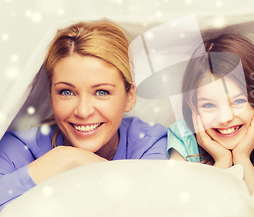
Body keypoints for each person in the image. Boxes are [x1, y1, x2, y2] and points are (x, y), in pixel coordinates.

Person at [0, 21, 168, 210]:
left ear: (130, 97)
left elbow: (151, 207)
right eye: (67, 92)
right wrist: (62, 158)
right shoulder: (18, 147)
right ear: (50, 97)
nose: (83, 111)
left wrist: (84, 164)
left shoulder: (151, 143)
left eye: (102, 92)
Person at [167, 32, 254, 193]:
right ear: (193, 106)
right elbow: (192, 209)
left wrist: (242, 159)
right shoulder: (183, 138)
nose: (225, 118)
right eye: (208, 105)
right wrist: (222, 161)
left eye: (238, 101)